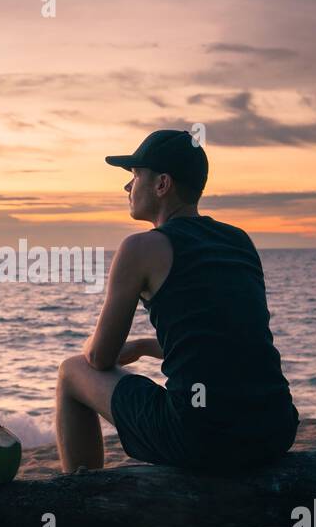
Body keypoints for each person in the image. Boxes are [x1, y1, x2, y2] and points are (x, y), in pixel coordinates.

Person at [54, 128, 298, 473]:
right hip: (275, 428)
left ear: (162, 184)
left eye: (135, 175)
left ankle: (84, 497)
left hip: (201, 436)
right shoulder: (238, 240)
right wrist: (142, 346)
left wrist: (90, 347)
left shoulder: (140, 248)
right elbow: (225, 339)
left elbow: (99, 357)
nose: (127, 187)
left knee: (71, 371)